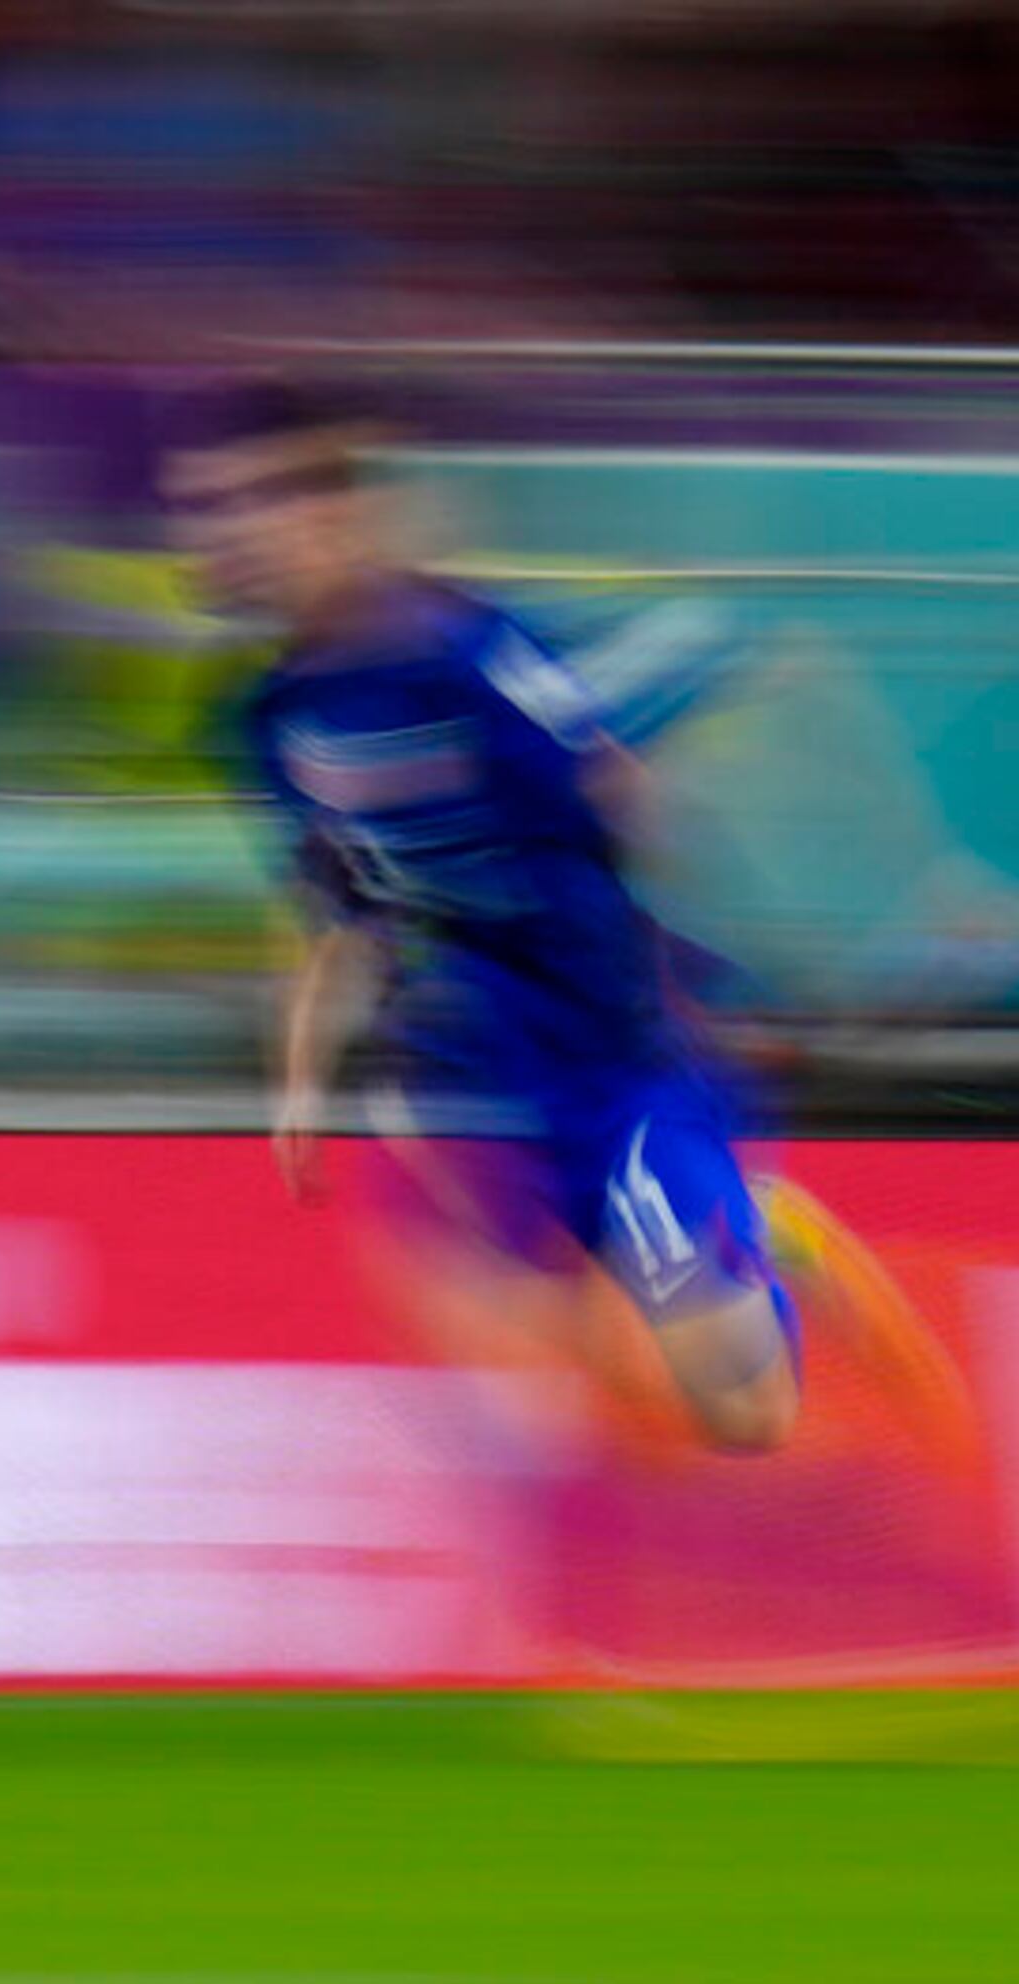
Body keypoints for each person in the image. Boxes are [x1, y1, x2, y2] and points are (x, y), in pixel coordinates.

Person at [165, 380, 820, 1457]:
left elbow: (625, 792)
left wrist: (721, 980)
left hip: (621, 1072)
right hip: (477, 1077)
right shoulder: (262, 720)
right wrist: (296, 1079)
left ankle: (761, 1242)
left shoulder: (471, 655)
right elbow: (338, 908)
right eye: (201, 509)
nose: (224, 534)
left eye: (253, 501)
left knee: (747, 1421)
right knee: (491, 1355)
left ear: (334, 510)